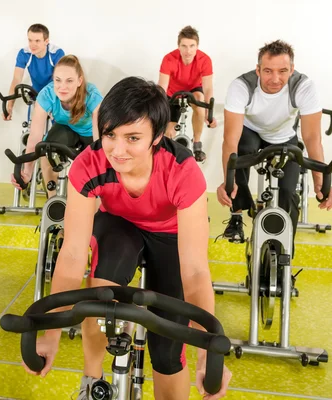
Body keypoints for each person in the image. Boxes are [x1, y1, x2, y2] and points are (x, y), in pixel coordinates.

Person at [21, 77, 232, 400]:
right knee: (100, 292)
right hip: (119, 226)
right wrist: (50, 334)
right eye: (110, 135)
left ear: (157, 137)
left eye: (133, 138)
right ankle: (92, 378)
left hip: (169, 236)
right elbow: (73, 254)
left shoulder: (183, 172)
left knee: (168, 350)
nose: (117, 150)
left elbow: (194, 271)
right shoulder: (88, 165)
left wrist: (206, 351)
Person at [216, 39, 332, 244]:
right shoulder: (241, 86)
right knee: (242, 151)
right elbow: (230, 140)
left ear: (292, 69)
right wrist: (229, 183)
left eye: (282, 71)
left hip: (283, 136)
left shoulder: (303, 86)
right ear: (258, 70)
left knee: (288, 193)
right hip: (250, 130)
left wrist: (320, 181)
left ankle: (285, 256)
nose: (275, 78)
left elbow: (312, 138)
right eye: (268, 71)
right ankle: (236, 215)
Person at [12, 55, 103, 198]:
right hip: (65, 127)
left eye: (69, 81)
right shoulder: (46, 95)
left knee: (96, 163)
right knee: (46, 151)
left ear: (79, 81)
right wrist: (27, 172)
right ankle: (52, 202)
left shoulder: (91, 95)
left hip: (90, 131)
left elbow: (99, 141)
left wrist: (99, 161)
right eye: (58, 80)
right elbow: (35, 137)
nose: (62, 87)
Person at [158, 25, 217, 162]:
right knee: (169, 132)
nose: (188, 51)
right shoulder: (169, 59)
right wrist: (160, 112)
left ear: (197, 46)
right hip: (172, 93)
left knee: (200, 100)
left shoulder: (205, 60)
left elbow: (208, 88)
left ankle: (197, 143)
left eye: (192, 46)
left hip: (193, 90)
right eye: (184, 46)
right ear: (178, 46)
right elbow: (162, 87)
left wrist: (209, 113)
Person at [3, 23, 65, 120]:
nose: (33, 45)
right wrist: (10, 106)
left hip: (54, 93)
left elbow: (61, 80)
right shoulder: (24, 53)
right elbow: (16, 80)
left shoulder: (56, 53)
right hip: (35, 93)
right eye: (30, 40)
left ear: (46, 41)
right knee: (31, 129)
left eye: (37, 41)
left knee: (56, 129)